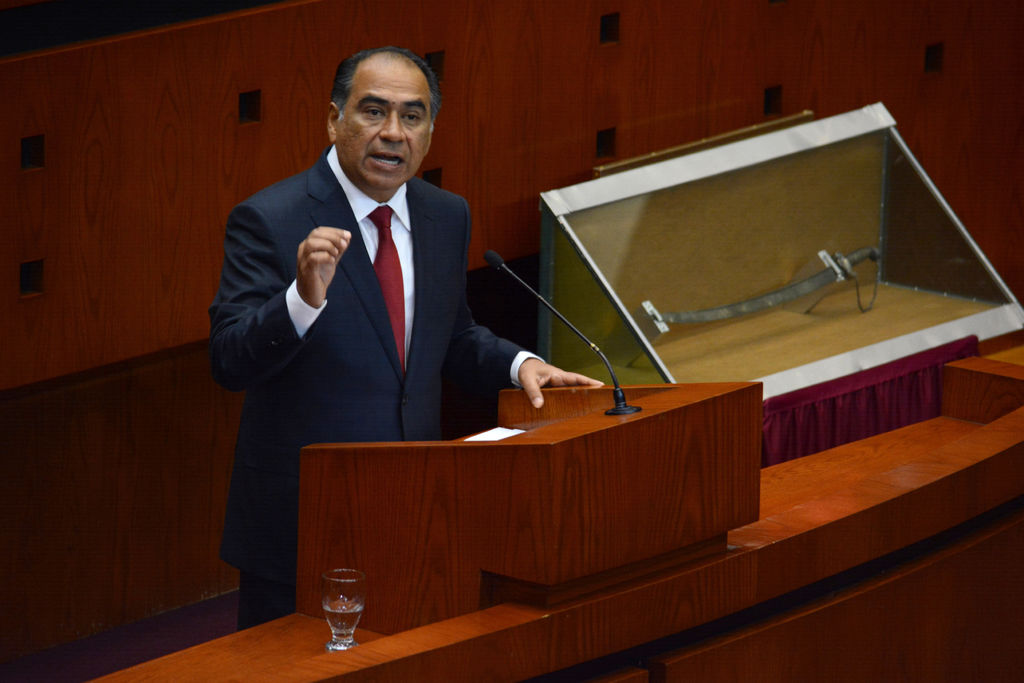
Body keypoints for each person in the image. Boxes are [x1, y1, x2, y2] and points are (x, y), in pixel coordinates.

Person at [208, 46, 603, 629]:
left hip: (415, 504)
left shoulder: (446, 214)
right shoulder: (271, 217)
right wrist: (301, 300)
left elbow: (450, 335)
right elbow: (228, 361)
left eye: (412, 116)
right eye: (373, 111)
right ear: (334, 120)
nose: (393, 133)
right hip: (305, 517)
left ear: (430, 132)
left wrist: (519, 364)